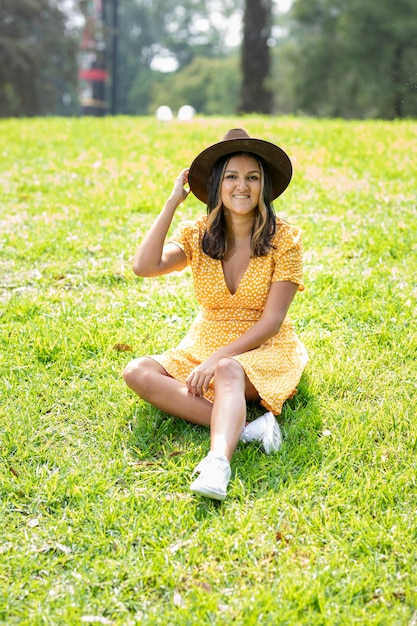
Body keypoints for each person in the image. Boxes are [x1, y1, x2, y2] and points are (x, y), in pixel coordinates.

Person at [123, 128, 308, 501]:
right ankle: (249, 428)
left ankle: (218, 463)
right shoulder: (198, 234)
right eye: (232, 177)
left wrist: (217, 358)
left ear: (264, 186)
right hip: (205, 340)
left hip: (265, 346)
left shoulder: (285, 239)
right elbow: (144, 266)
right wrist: (172, 203)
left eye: (253, 177)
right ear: (217, 185)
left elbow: (271, 322)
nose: (243, 186)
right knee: (137, 371)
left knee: (227, 369)